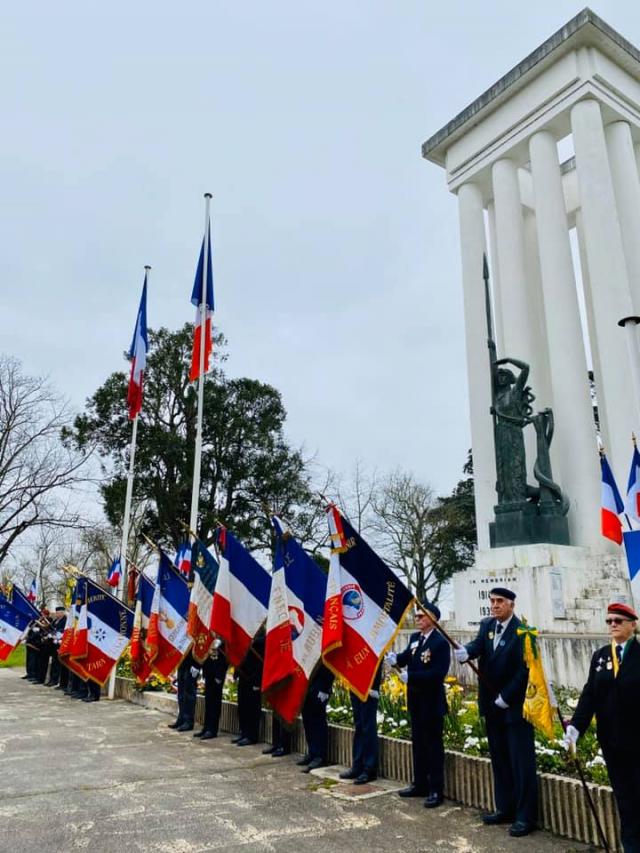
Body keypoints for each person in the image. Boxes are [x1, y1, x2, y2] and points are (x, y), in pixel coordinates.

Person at [454, 587, 536, 838]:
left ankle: (525, 817)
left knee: (520, 763)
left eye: (500, 601)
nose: (495, 605)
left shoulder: (525, 633)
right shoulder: (487, 625)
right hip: (492, 706)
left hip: (514, 708)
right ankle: (505, 808)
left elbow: (525, 671)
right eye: (492, 601)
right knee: (499, 760)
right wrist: (466, 651)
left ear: (511, 605)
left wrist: (506, 697)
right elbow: (479, 645)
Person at [564, 602, 640, 853]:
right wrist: (576, 726)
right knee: (624, 799)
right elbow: (590, 695)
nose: (613, 625)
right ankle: (631, 847)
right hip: (612, 742)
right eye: (609, 621)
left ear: (633, 625)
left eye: (618, 620)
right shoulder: (601, 656)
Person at [387, 601, 450, 807]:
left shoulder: (440, 643)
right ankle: (419, 784)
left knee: (433, 746)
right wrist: (394, 658)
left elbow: (437, 673)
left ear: (433, 619)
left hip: (431, 702)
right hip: (415, 700)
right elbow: (406, 658)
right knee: (418, 745)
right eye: (417, 616)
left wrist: (411, 677)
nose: (418, 619)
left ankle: (436, 789)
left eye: (422, 616)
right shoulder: (415, 639)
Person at [339, 663, 382, 785]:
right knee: (359, 725)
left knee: (368, 726)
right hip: (356, 680)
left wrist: (374, 685)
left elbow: (376, 657)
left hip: (370, 684)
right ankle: (357, 765)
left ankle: (369, 768)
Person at [298, 664, 335, 773]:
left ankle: (320, 756)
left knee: (318, 720)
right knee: (307, 718)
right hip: (307, 680)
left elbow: (329, 663)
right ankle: (312, 753)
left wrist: (325, 688)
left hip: (321, 683)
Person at [193, 639, 229, 740]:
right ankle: (206, 727)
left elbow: (225, 659)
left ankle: (212, 729)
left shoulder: (223, 640)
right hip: (209, 674)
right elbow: (206, 655)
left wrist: (220, 675)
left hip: (217, 675)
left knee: (215, 703)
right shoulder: (209, 637)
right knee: (208, 702)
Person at [234, 632, 264, 746]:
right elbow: (241, 655)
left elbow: (262, 661)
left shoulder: (262, 639)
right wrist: (237, 671)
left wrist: (257, 680)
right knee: (242, 706)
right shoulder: (245, 634)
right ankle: (244, 732)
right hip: (243, 675)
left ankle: (251, 735)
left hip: (254, 678)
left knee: (252, 708)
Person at [168, 651, 198, 732]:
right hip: (182, 662)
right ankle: (181, 718)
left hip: (192, 663)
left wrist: (196, 665)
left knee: (189, 694)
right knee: (181, 694)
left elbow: (199, 647)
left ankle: (188, 721)